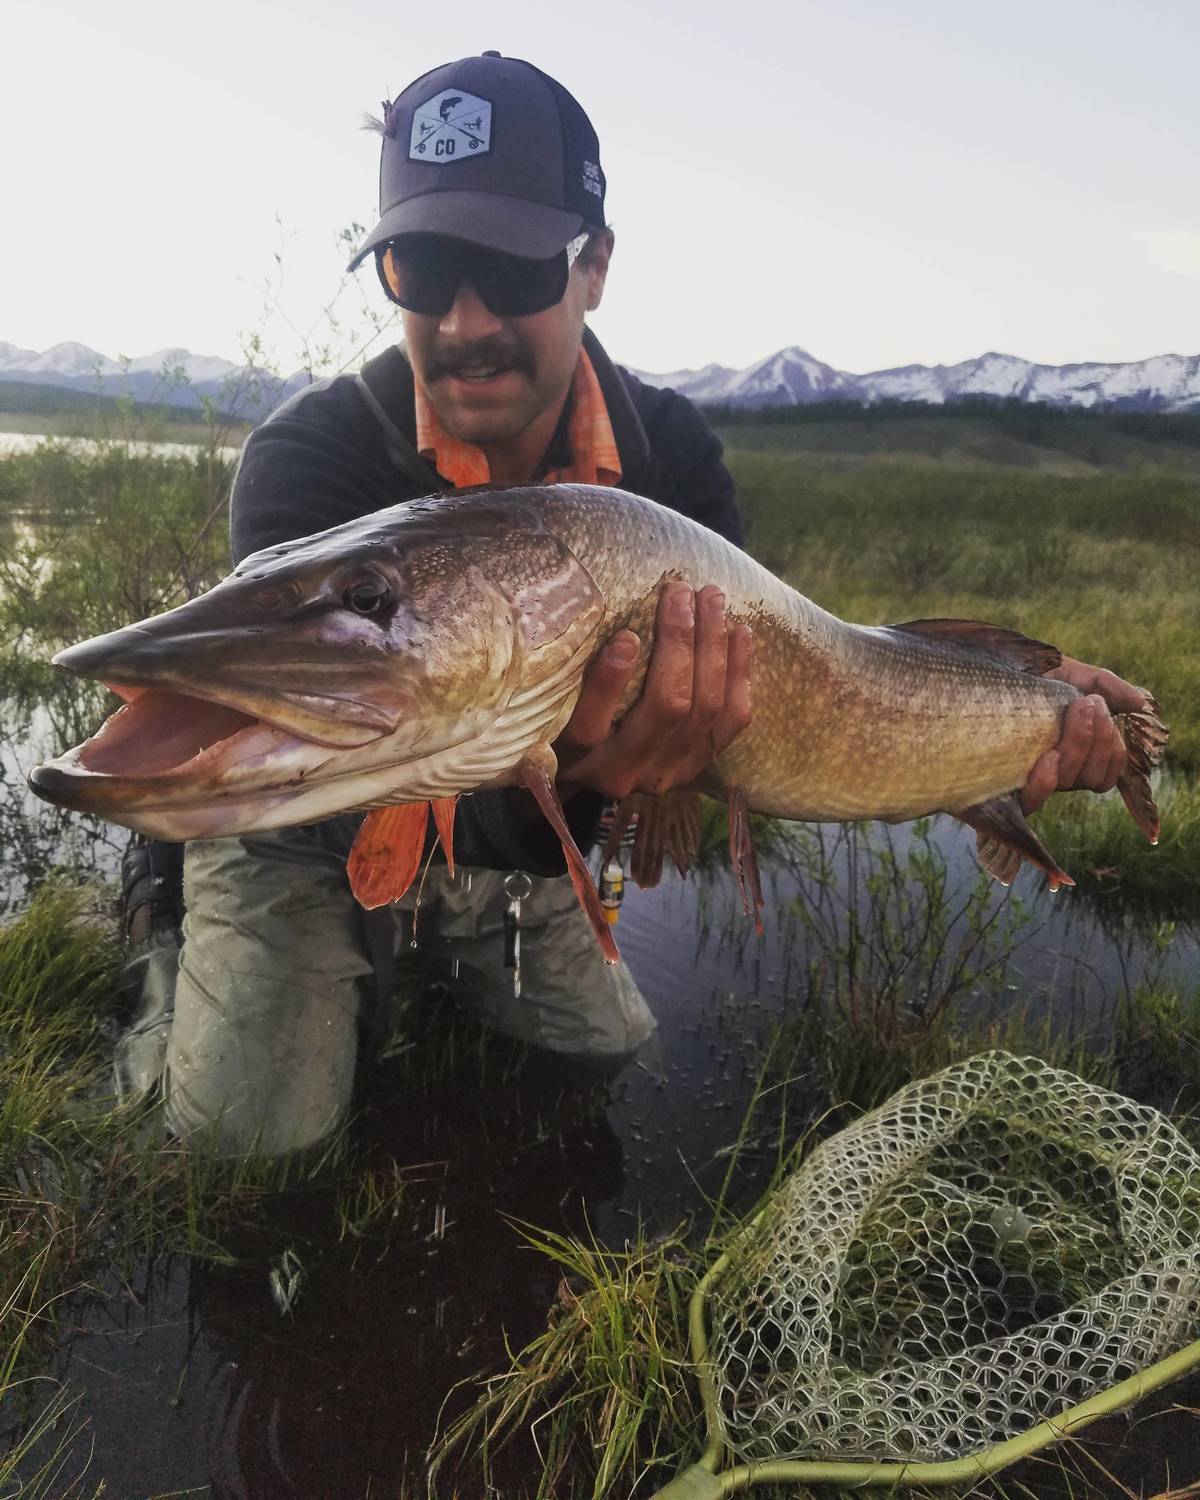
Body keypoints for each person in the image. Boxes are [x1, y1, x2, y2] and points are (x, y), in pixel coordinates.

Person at [116, 50, 1146, 1157]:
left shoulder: (673, 457)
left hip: (526, 829)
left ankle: (405, 961)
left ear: (593, 264)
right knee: (250, 1145)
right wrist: (575, 776)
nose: (464, 322)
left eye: (512, 270)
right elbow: (308, 760)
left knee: (598, 1056)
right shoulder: (307, 459)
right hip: (296, 822)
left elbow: (805, 689)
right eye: (423, 270)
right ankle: (162, 924)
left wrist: (1017, 713)